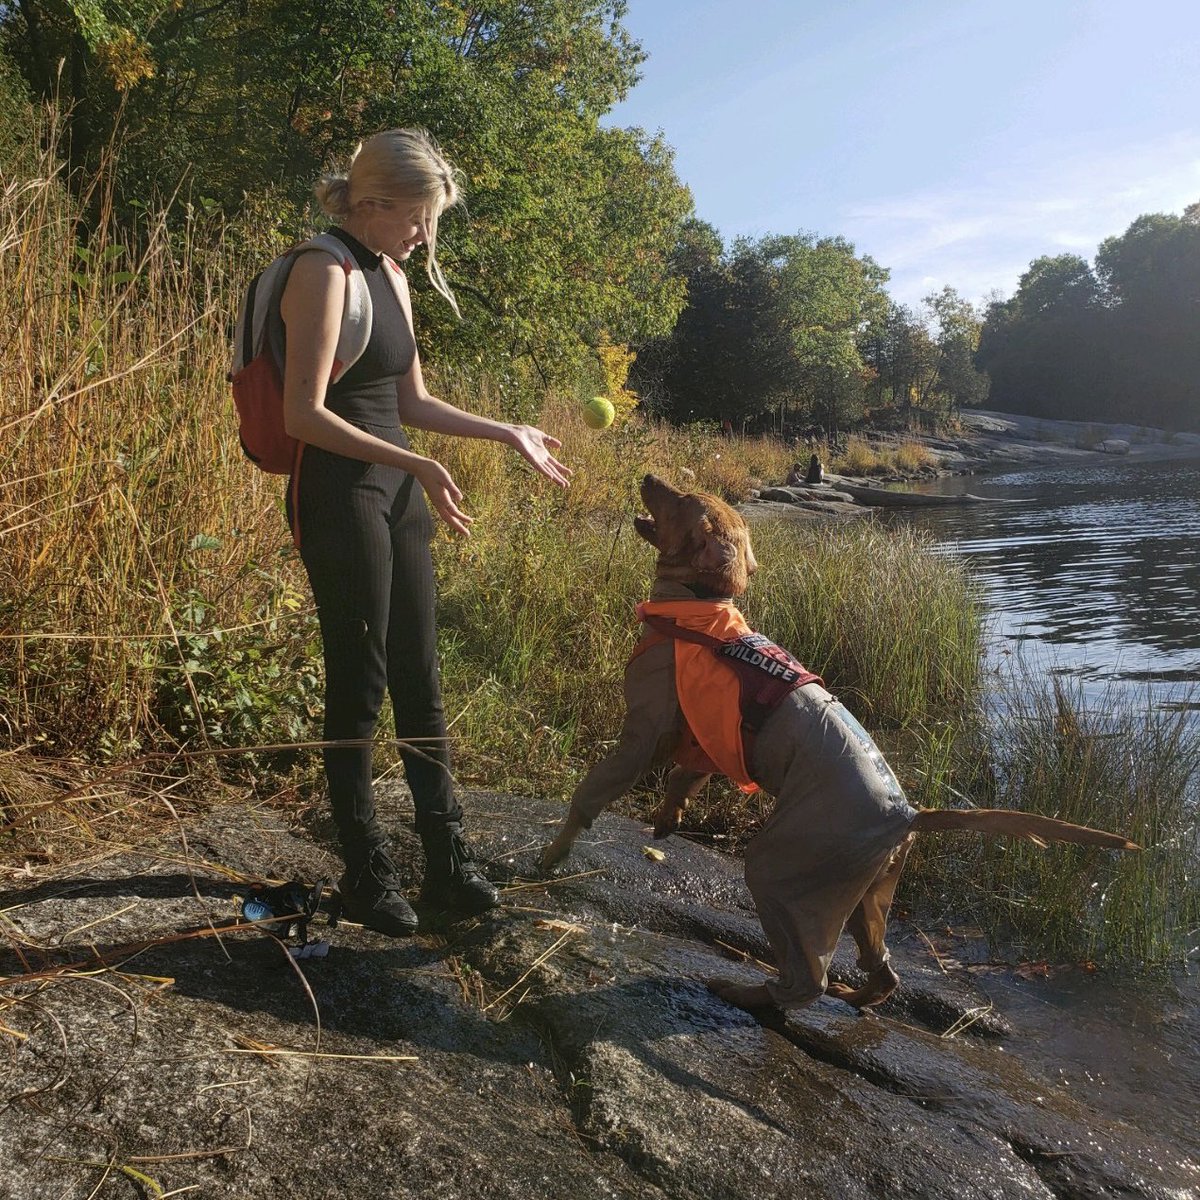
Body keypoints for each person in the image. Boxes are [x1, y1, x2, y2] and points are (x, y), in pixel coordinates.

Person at [279, 128, 571, 935]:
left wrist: (505, 430)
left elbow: (412, 406)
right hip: (337, 491)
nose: (424, 233)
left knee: (421, 672)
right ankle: (365, 867)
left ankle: (447, 858)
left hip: (396, 484)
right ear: (373, 204)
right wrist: (416, 467)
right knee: (362, 676)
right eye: (416, 218)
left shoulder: (394, 278)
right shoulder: (321, 269)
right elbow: (300, 414)